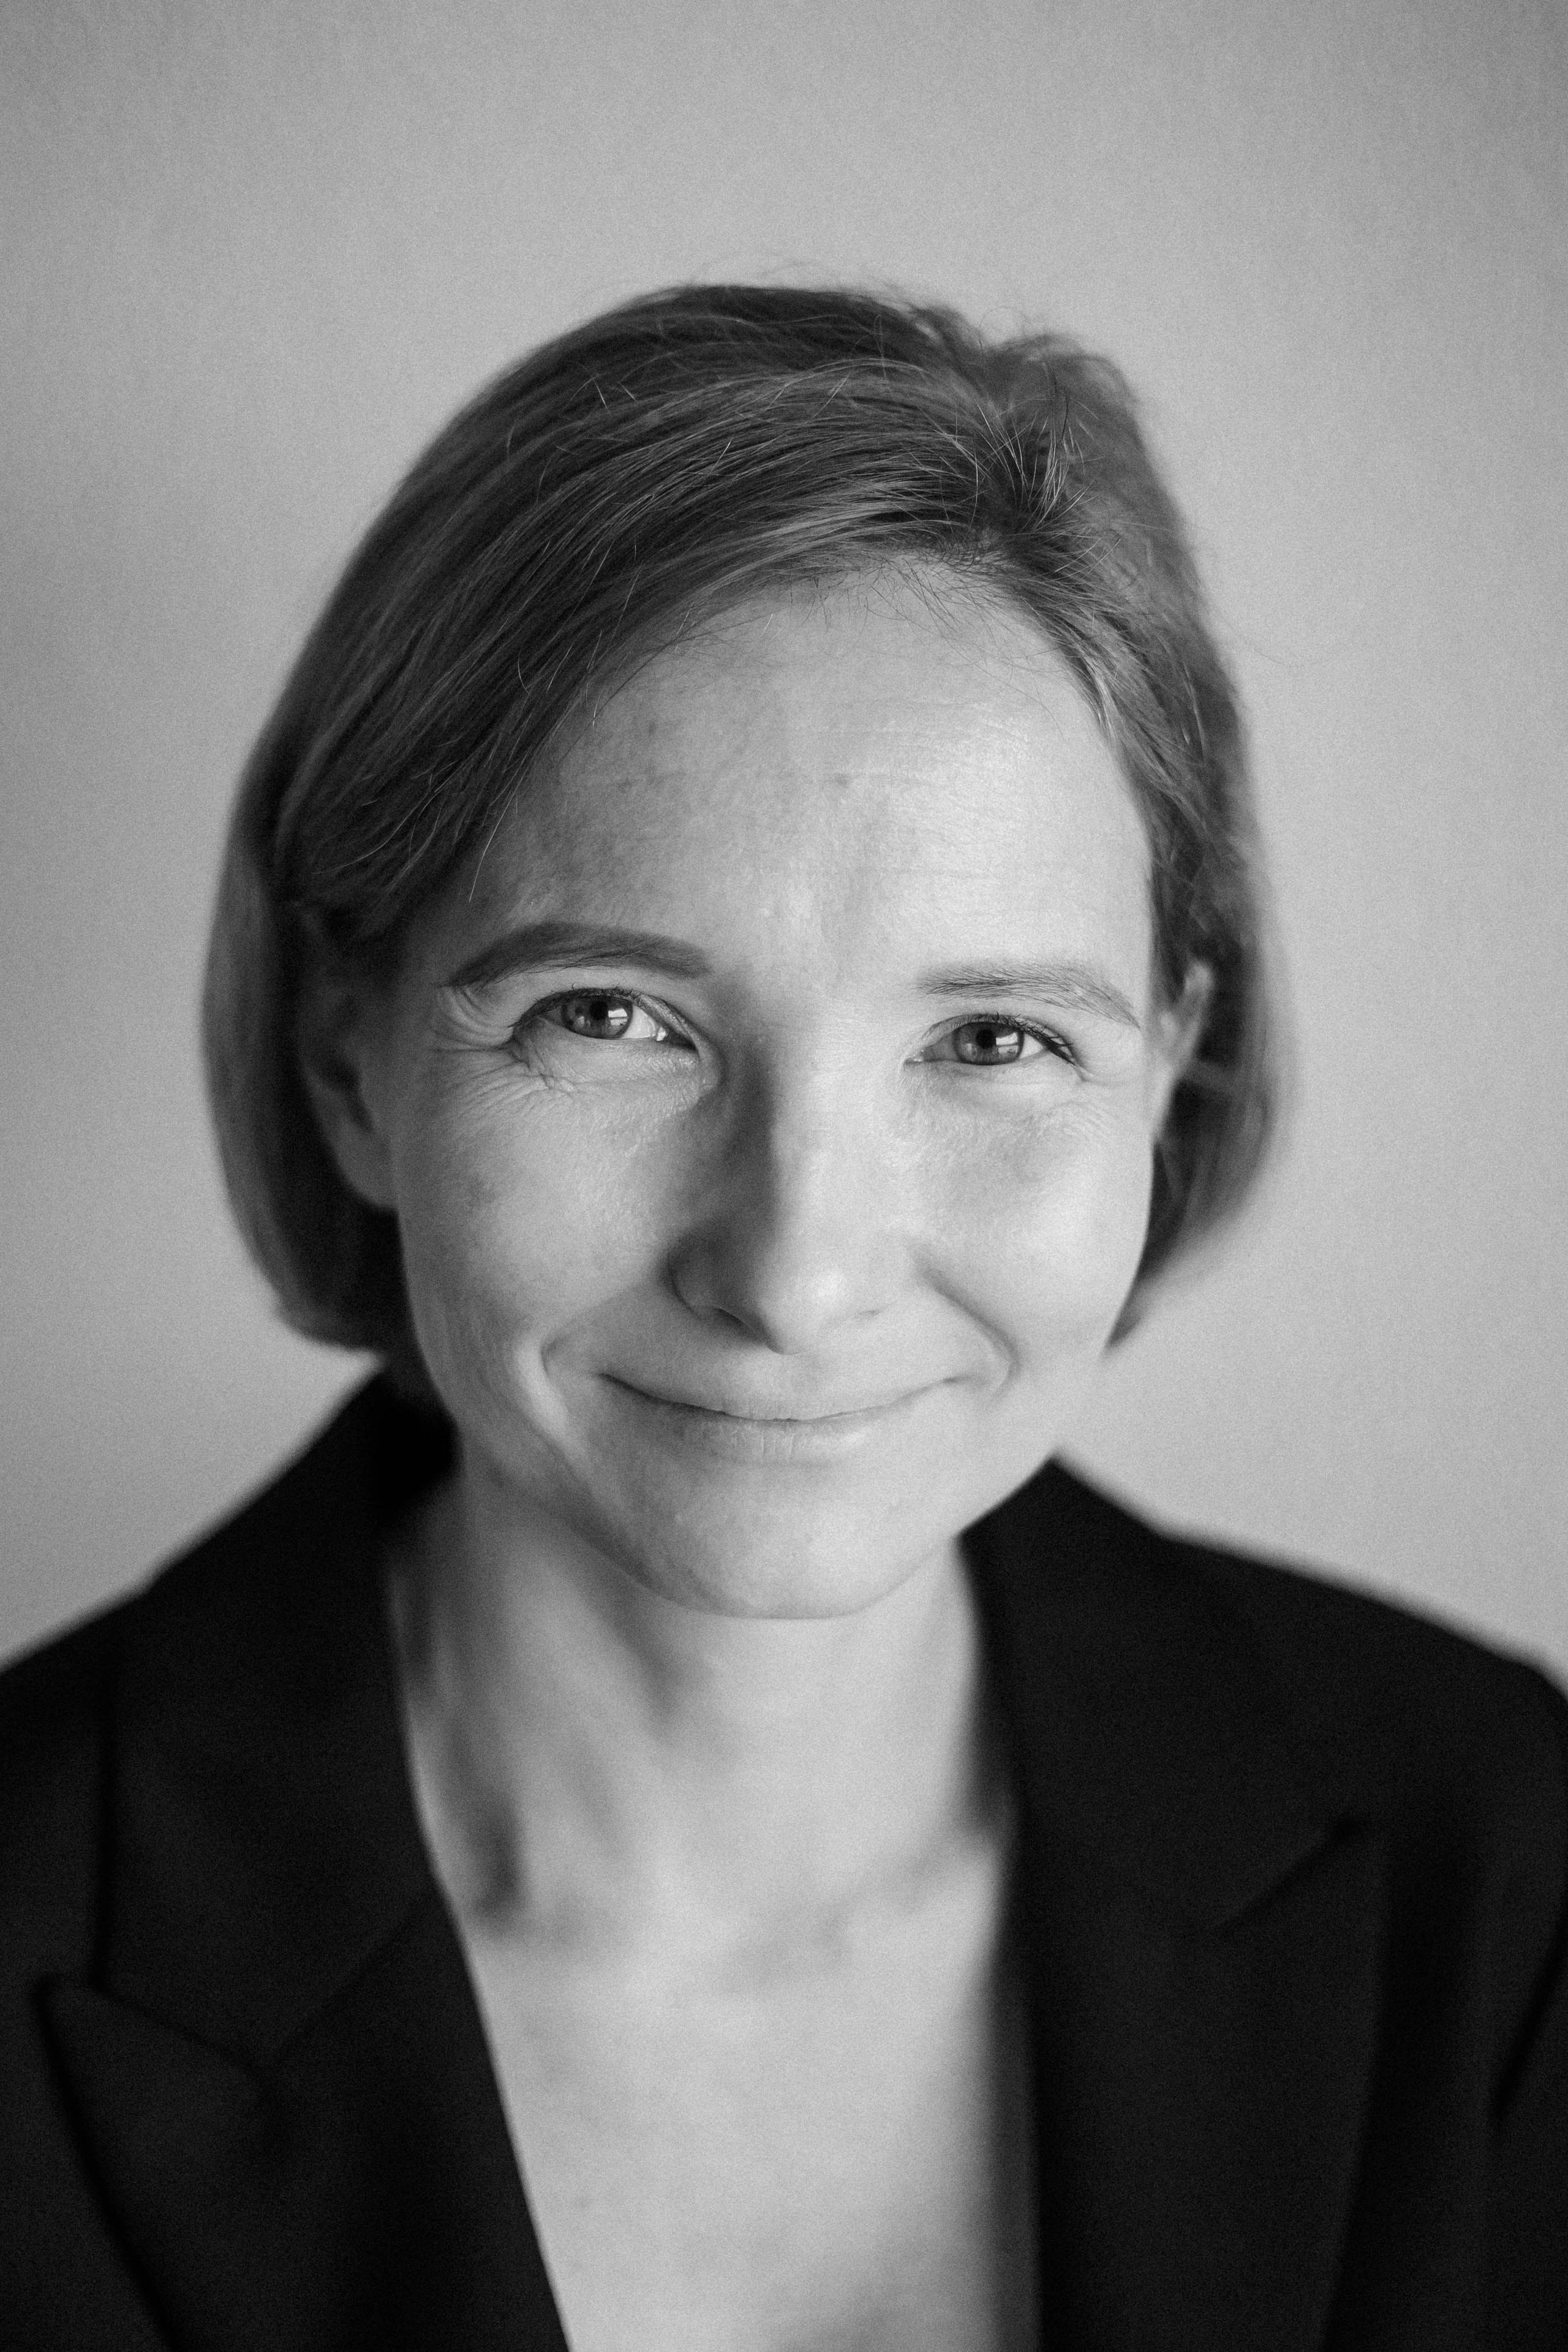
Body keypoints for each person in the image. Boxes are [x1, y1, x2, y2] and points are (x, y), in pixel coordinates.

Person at [1, 285, 1563, 2352]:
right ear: (345, 1055)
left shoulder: (1506, 1874)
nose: (797, 1273)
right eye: (611, 1016)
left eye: (993, 1039)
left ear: (1170, 1068)